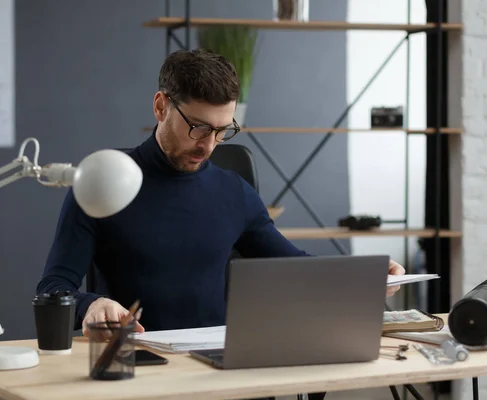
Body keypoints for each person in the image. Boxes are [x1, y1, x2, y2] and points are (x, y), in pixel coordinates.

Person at [36, 48, 405, 339]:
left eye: (222, 130)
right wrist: (91, 304)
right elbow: (53, 288)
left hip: (218, 363)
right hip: (134, 362)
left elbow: (294, 265)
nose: (209, 145)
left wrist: (366, 276)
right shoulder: (101, 182)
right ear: (161, 106)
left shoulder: (233, 192)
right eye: (197, 127)